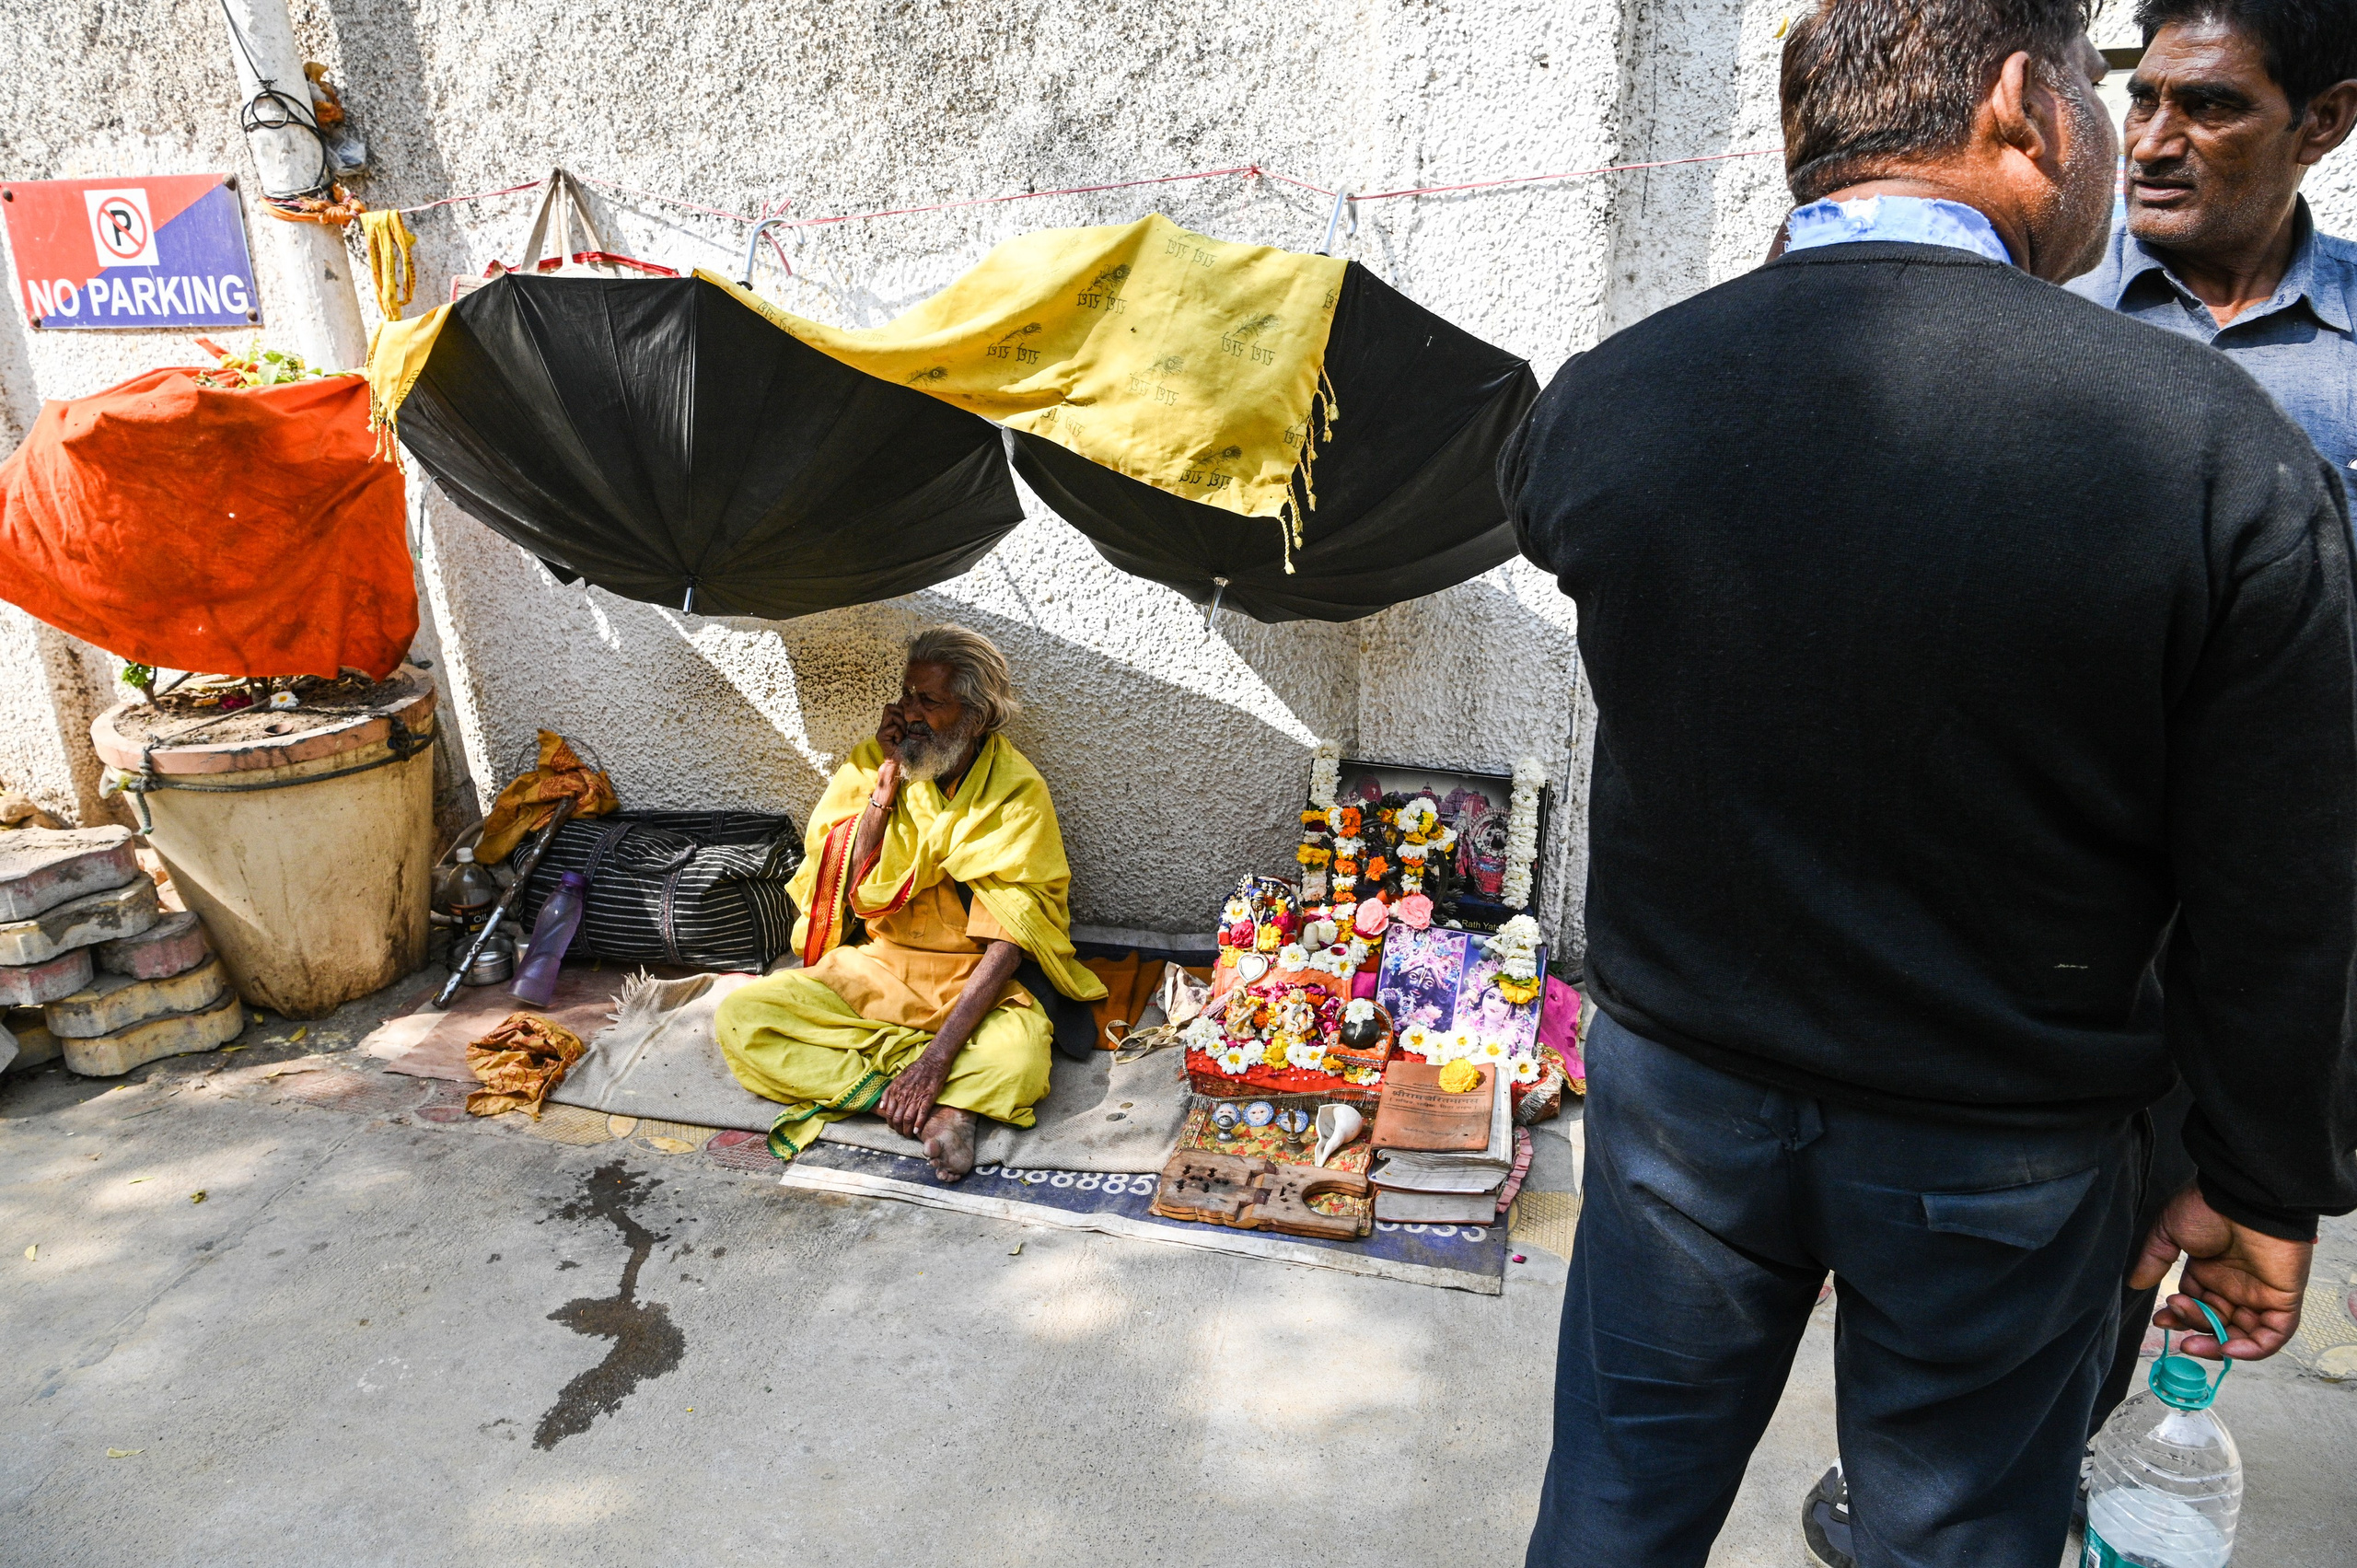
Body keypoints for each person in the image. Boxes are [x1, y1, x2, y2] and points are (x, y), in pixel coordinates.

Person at [1503, 3, 2357, 1565]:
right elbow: (2282, 878)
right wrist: (2261, 1175)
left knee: (1615, 1509)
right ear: (2027, 110)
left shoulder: (1614, 398)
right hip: (2003, 1137)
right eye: (2108, 98)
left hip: (1679, 1105)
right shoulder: (2215, 453)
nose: (2131, 143)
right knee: (1950, 1539)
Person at [715, 626, 1104, 1182]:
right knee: (742, 1017)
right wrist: (886, 786)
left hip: (968, 983)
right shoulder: (875, 762)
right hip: (877, 966)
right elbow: (838, 885)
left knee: (1017, 1061)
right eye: (908, 694)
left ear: (976, 714)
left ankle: (933, 1090)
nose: (910, 713)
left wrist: (938, 1056)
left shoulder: (1015, 792)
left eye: (930, 701)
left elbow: (1010, 941)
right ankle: (920, 1105)